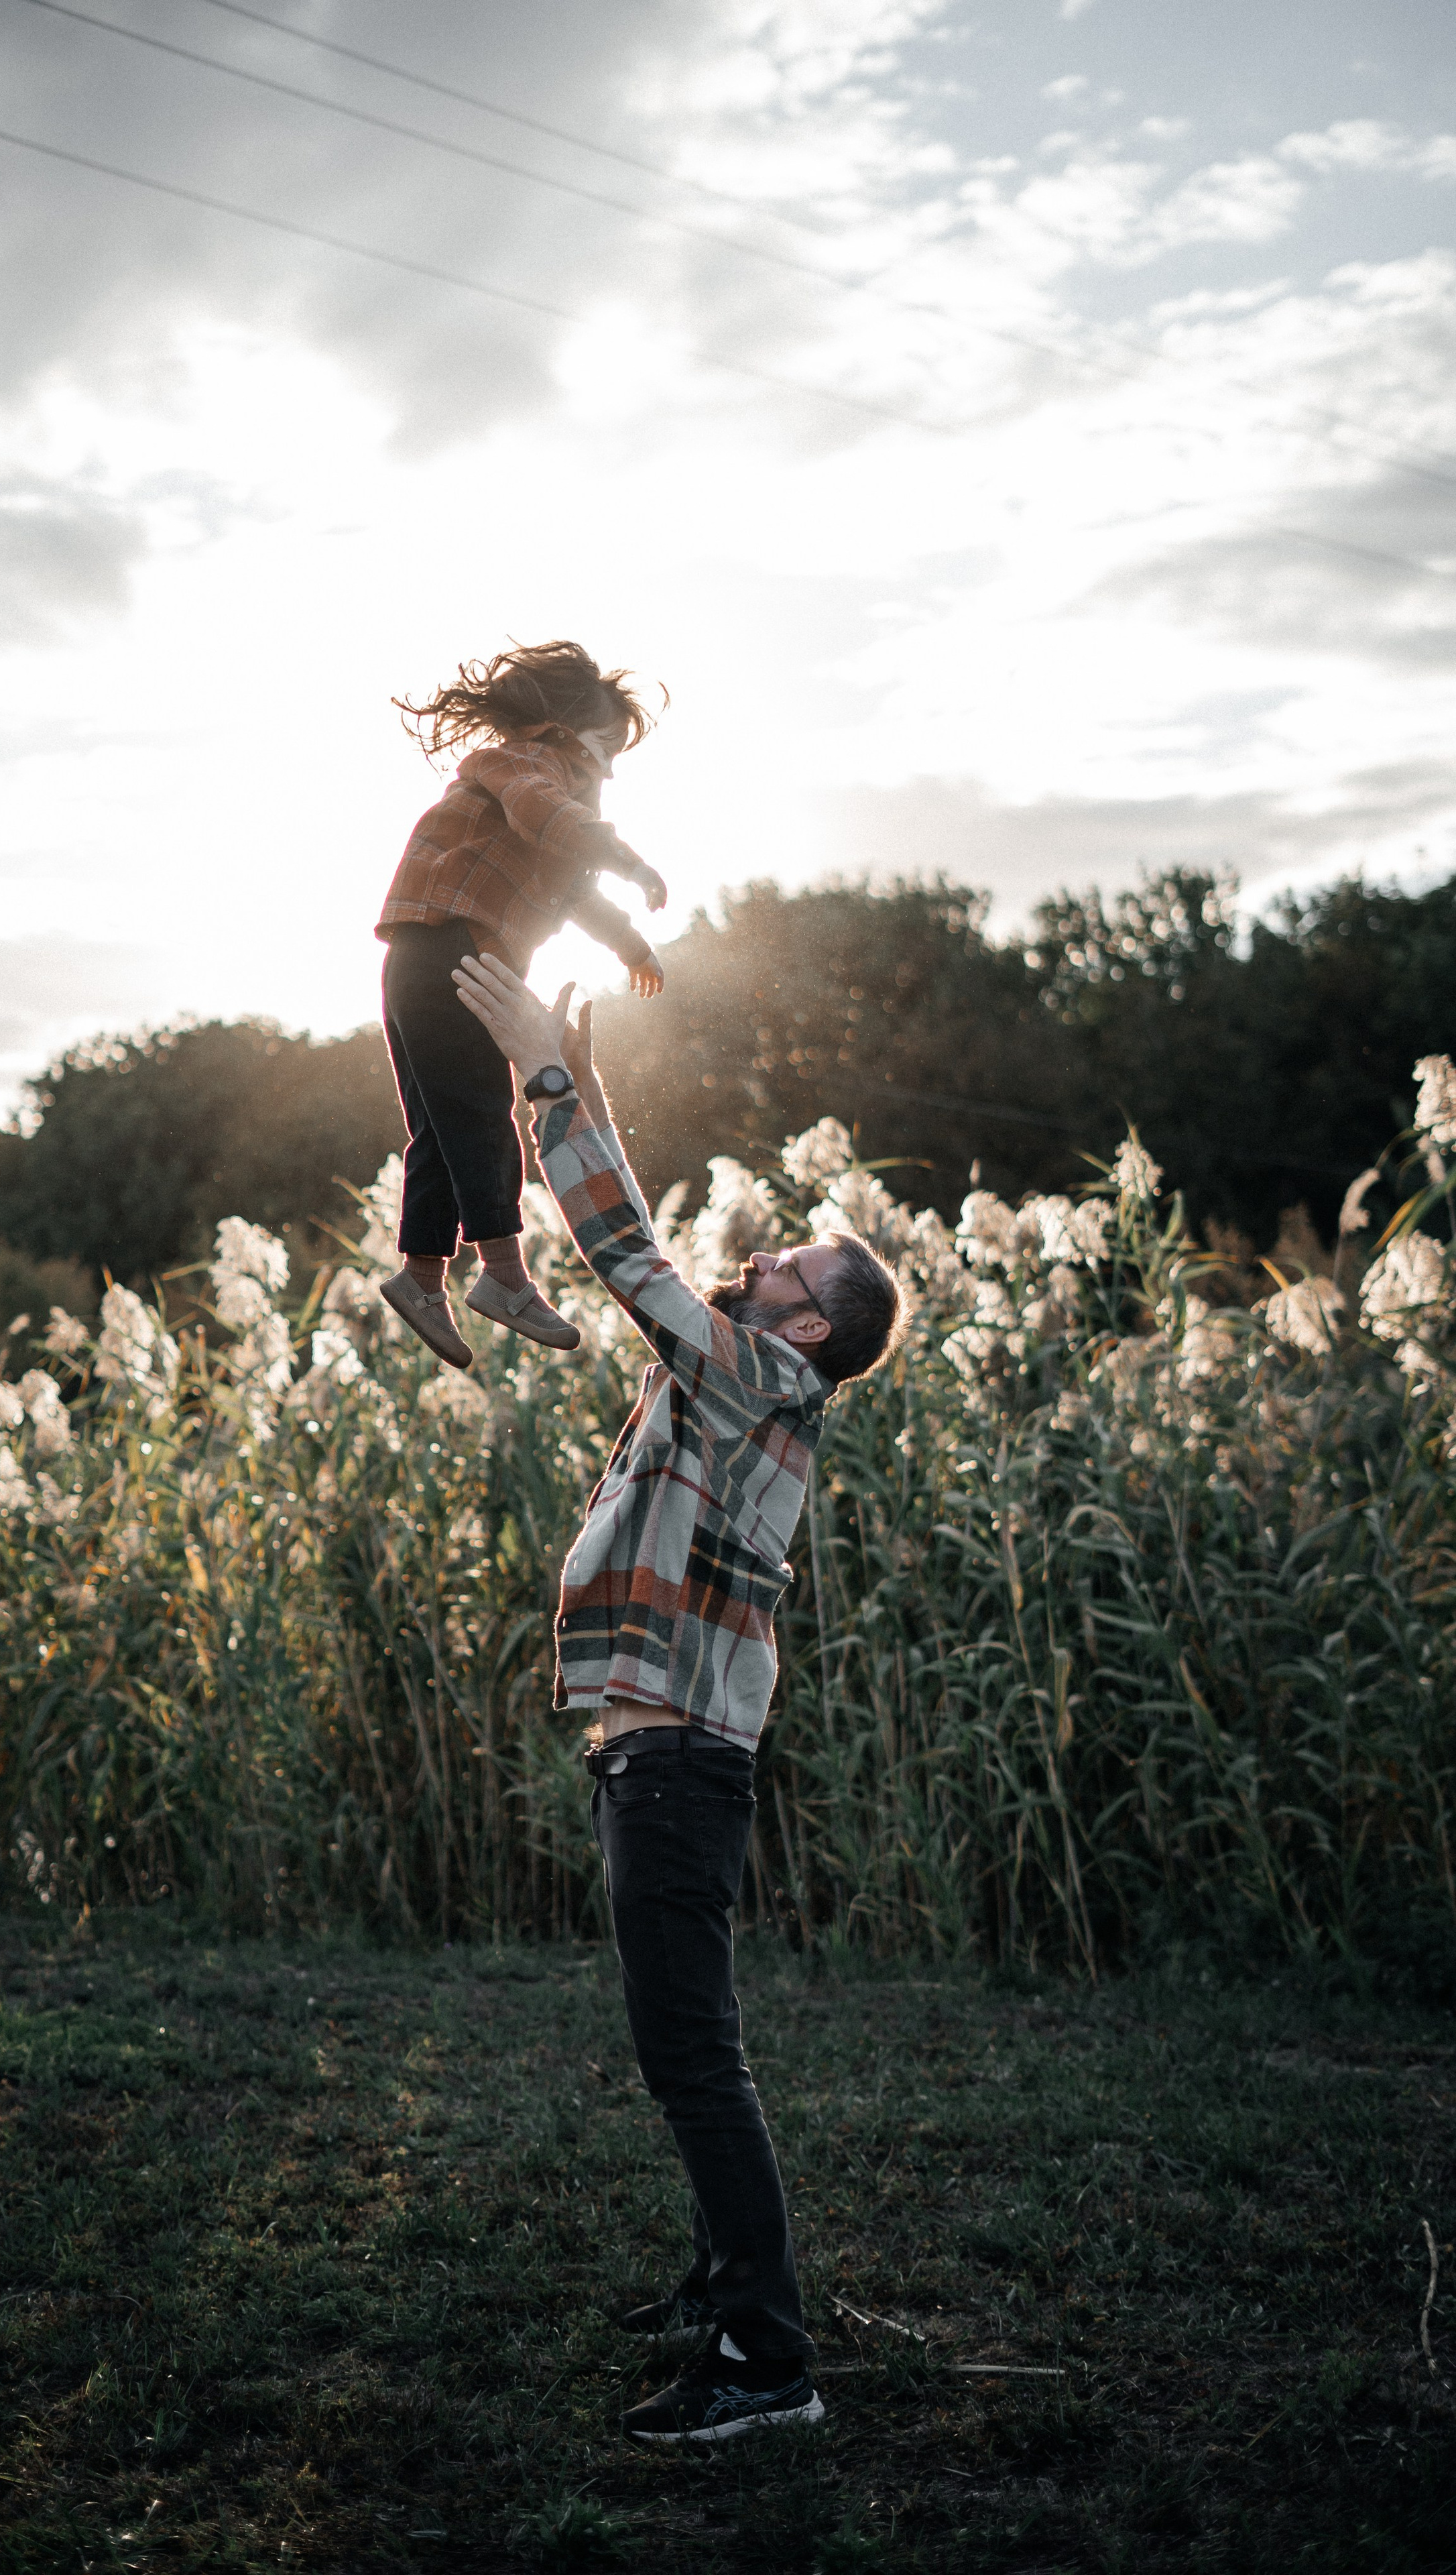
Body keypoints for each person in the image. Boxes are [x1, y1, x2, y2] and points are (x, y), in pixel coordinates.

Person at [450, 948, 906, 2450]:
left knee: (692, 2057)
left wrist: (545, 1075)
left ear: (809, 1329)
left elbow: (630, 1261)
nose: (761, 1261)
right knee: (688, 2046)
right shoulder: (738, 1374)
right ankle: (721, 2283)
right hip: (655, 1758)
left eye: (788, 1270)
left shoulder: (766, 1380)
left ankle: (766, 2362)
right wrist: (571, 1083)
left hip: (680, 1764)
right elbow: (639, 1241)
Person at [374, 639, 668, 1373]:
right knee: (481, 1112)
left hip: (420, 957)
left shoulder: (546, 796)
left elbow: (573, 892)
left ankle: (420, 1280)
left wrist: (631, 946)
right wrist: (629, 860)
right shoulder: (523, 766)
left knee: (440, 1128)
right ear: (565, 733)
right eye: (607, 748)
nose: (609, 769)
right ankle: (505, 1279)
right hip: (454, 951)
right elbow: (549, 817)